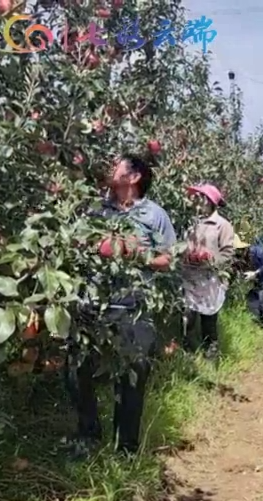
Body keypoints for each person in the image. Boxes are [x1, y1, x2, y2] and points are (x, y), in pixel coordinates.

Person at [65, 154, 176, 459]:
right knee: (77, 371)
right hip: (93, 304)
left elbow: (168, 259)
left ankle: (125, 448)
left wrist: (132, 252)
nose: (109, 166)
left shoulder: (155, 215)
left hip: (133, 307)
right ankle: (88, 434)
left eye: (116, 164)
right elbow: (74, 243)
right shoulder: (97, 209)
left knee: (132, 378)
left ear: (135, 176)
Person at [181, 183, 235, 361]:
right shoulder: (192, 222)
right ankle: (187, 352)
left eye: (201, 197)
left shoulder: (222, 225)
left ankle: (211, 353)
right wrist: (185, 255)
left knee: (208, 318)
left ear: (210, 201)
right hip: (190, 276)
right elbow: (184, 245)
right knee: (187, 316)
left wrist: (209, 259)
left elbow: (228, 252)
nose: (196, 200)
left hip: (210, 279)